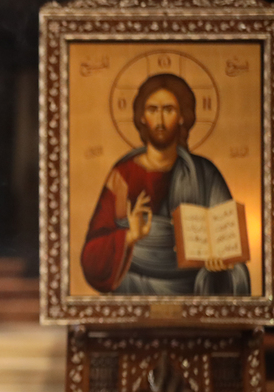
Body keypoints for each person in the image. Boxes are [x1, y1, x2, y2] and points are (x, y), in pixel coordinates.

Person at [80, 72, 250, 295]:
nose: (160, 120)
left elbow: (230, 244)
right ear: (142, 117)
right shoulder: (123, 175)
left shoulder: (204, 173)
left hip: (191, 293)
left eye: (168, 110)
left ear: (182, 117)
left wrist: (221, 263)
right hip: (132, 290)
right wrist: (130, 236)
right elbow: (91, 255)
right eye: (152, 110)